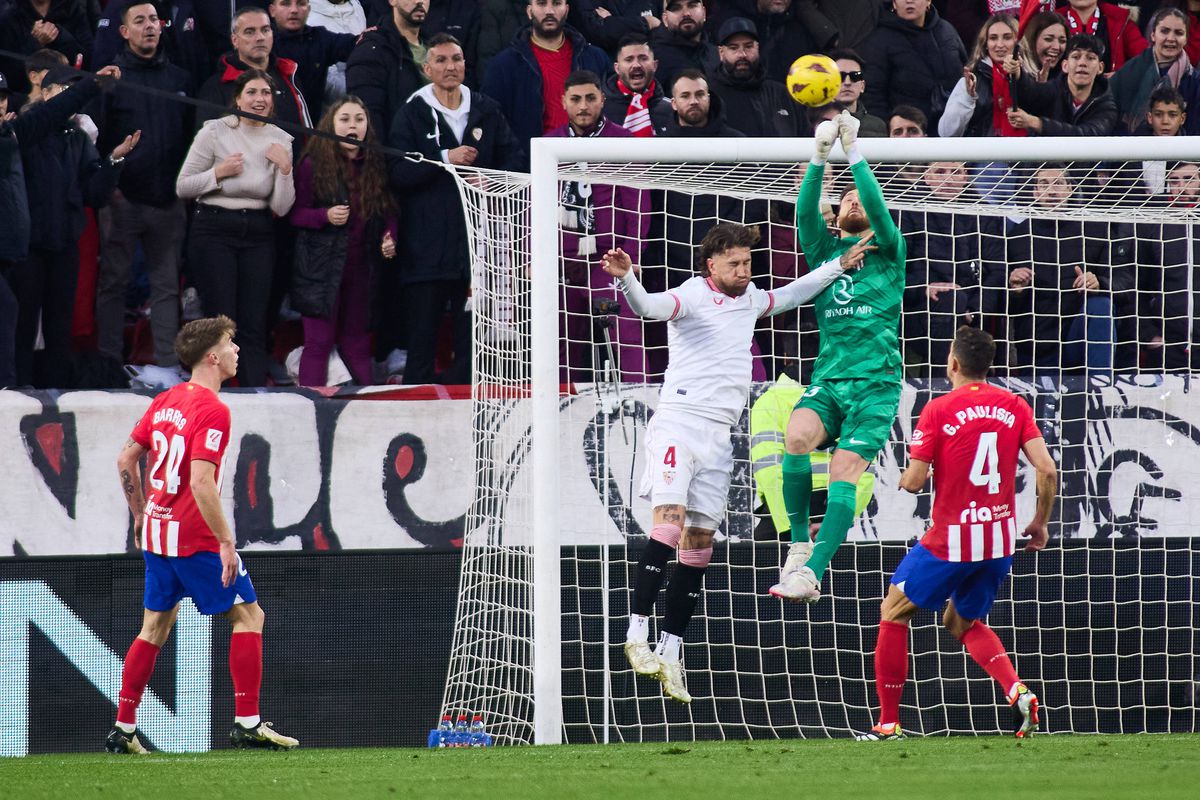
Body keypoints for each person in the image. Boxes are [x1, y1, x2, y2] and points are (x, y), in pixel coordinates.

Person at [603, 222, 872, 702]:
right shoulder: (690, 295)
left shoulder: (750, 300)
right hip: (679, 424)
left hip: (719, 437)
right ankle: (636, 635)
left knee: (700, 544)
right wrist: (627, 279)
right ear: (712, 265)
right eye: (735, 264)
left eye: (748, 263)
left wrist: (837, 265)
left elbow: (792, 294)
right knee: (667, 527)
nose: (744, 271)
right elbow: (649, 308)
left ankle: (670, 651)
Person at [107, 315, 299, 754]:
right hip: (193, 538)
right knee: (250, 617)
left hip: (157, 531)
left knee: (153, 627)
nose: (237, 350)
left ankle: (124, 727)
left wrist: (139, 515)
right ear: (212, 356)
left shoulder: (166, 399)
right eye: (231, 343)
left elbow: (125, 459)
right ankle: (248, 722)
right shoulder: (213, 410)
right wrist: (226, 543)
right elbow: (200, 482)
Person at [856, 326, 1056, 741]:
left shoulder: (937, 409)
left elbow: (912, 482)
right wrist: (1040, 520)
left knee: (892, 612)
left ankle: (888, 724)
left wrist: (903, 475)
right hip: (999, 538)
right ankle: (1016, 688)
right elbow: (1047, 469)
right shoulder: (1015, 405)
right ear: (989, 365)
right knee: (961, 621)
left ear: (954, 363)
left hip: (953, 538)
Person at [770, 111, 904, 603]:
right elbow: (806, 212)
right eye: (844, 196)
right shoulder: (825, 255)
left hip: (876, 383)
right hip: (829, 378)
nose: (853, 199)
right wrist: (819, 158)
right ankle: (799, 544)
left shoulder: (890, 250)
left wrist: (857, 154)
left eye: (861, 199)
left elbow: (873, 201)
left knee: (845, 470)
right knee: (797, 436)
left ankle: (813, 574)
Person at [388, 33, 525, 384]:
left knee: (474, 345)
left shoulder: (487, 109)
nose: (451, 67)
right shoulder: (412, 114)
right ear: (427, 67)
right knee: (421, 344)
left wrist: (491, 180)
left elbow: (515, 163)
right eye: (443, 60)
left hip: (478, 251)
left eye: (457, 59)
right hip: (425, 252)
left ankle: (467, 417)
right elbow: (397, 173)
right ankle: (416, 414)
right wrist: (445, 158)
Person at [12, 64, 136, 388]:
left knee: (59, 325)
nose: (70, 99)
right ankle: (19, 390)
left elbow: (93, 194)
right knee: (22, 324)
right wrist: (93, 83)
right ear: (46, 93)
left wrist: (113, 162)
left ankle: (56, 393)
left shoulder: (78, 139)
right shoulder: (23, 130)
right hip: (27, 247)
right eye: (63, 91)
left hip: (64, 243)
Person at [176, 69, 296, 387]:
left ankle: (254, 390)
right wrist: (219, 172)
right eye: (252, 92)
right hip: (214, 228)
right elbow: (184, 186)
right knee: (221, 321)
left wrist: (285, 170)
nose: (259, 99)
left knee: (255, 322)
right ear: (238, 98)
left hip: (258, 231)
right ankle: (217, 393)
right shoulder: (215, 131)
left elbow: (282, 207)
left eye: (266, 93)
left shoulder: (281, 139)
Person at [93, 2, 192, 380]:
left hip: (169, 199)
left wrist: (181, 188)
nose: (150, 27)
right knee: (113, 282)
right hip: (122, 201)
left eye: (154, 20)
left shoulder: (180, 77)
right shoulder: (110, 81)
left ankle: (168, 367)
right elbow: (96, 137)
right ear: (124, 32)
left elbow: (189, 137)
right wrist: (110, 186)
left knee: (167, 285)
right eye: (140, 21)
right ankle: (107, 365)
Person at [545, 69, 649, 382]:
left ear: (602, 99)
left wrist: (633, 254)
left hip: (610, 256)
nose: (583, 105)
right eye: (575, 99)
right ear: (563, 101)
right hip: (562, 257)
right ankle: (561, 406)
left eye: (590, 98)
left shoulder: (623, 141)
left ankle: (638, 399)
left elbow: (639, 203)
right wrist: (532, 256)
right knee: (561, 337)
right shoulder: (549, 144)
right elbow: (535, 205)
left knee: (625, 331)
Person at [289, 97, 397, 386]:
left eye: (359, 120)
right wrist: (324, 215)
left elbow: (389, 212)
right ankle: (309, 408)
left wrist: (390, 237)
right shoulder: (312, 164)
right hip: (320, 270)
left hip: (362, 267)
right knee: (318, 343)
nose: (353, 126)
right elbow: (295, 214)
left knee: (358, 344)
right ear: (331, 125)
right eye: (345, 119)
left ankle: (366, 411)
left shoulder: (375, 164)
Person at [1005, 165, 1116, 375]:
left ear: (1070, 189)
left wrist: (1099, 283)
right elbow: (1000, 302)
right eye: (1044, 184)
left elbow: (1125, 280)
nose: (1052, 191)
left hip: (1080, 336)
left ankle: (1101, 389)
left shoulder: (1095, 230)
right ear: (1035, 192)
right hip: (1038, 343)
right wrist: (1015, 289)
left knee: (1101, 304)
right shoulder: (1016, 237)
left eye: (1058, 183)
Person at [749, 370, 875, 542]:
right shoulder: (854, 401)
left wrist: (791, 524)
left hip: (787, 508)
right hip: (830, 506)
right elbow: (864, 471)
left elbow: (768, 467)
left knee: (767, 565)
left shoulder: (771, 401)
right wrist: (837, 520)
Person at [480, 0, 610, 144]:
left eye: (556, 3)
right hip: (530, 162)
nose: (549, 11)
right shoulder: (504, 65)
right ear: (529, 11)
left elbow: (612, 111)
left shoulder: (595, 58)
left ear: (566, 10)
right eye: (542, 4)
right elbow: (492, 122)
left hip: (589, 159)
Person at [196, 6, 312, 132]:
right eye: (249, 32)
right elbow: (209, 143)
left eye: (265, 30)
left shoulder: (289, 75)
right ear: (235, 40)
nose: (260, 37)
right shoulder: (216, 87)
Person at [860, 0, 966, 133]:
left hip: (953, 133)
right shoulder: (879, 41)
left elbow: (964, 77)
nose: (909, 1)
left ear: (928, 2)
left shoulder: (947, 31)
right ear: (894, 3)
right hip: (906, 136)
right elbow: (873, 96)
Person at [345, 0, 428, 140]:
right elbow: (369, 118)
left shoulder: (435, 46)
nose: (419, 1)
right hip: (398, 155)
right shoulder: (372, 50)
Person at [1005, 32, 1117, 136]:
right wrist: (1017, 74)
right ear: (1065, 66)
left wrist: (1037, 123)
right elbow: (1029, 93)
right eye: (1076, 57)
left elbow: (1087, 134)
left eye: (1090, 58)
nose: (1082, 63)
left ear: (1100, 68)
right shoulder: (1053, 89)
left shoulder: (1106, 106)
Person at [705, 16, 797, 137]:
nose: (742, 54)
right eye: (734, 48)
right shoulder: (710, 96)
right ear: (721, 53)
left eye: (748, 46)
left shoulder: (781, 93)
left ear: (757, 48)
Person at [268, 0, 358, 121]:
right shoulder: (263, 43)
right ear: (272, 10)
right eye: (285, 4)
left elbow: (355, 45)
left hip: (312, 131)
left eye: (301, 4)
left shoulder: (319, 38)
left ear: (309, 9)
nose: (294, 10)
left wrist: (373, 36)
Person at [939, 14, 1024, 137]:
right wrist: (968, 99)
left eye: (1007, 37)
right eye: (993, 38)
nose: (999, 45)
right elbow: (946, 133)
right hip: (981, 154)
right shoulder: (971, 81)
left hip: (1024, 153)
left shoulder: (1030, 78)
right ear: (985, 43)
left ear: (1017, 42)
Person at [1109, 7, 1190, 133]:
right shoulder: (1127, 72)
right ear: (1153, 35)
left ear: (1186, 39)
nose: (1171, 38)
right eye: (1164, 31)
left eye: (1178, 33)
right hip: (1132, 149)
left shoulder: (1194, 80)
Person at [0, 0, 93, 94]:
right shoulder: (8, 19)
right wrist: (34, 43)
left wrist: (59, 36)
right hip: (27, 99)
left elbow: (89, 61)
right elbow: (9, 76)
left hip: (72, 93)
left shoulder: (73, 10)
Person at [602, 34, 671, 134]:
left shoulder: (671, 109)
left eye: (643, 58)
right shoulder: (600, 109)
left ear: (655, 65)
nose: (636, 65)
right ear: (617, 68)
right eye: (629, 59)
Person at [1054, 0, 1145, 73]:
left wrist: (1121, 77)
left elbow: (1146, 60)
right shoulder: (1051, 20)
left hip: (1109, 92)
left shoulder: (1120, 20)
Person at [650, 0, 716, 92]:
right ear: (665, 19)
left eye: (692, 5)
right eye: (676, 8)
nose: (686, 13)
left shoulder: (715, 52)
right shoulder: (653, 57)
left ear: (704, 13)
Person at [827, 48, 886, 137]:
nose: (847, 82)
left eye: (855, 76)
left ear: (862, 86)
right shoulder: (815, 122)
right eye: (840, 76)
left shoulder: (877, 126)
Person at [1020, 11, 1067, 83]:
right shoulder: (1018, 74)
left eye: (1062, 41)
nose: (1057, 47)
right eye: (1048, 39)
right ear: (1033, 39)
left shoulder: (1068, 77)